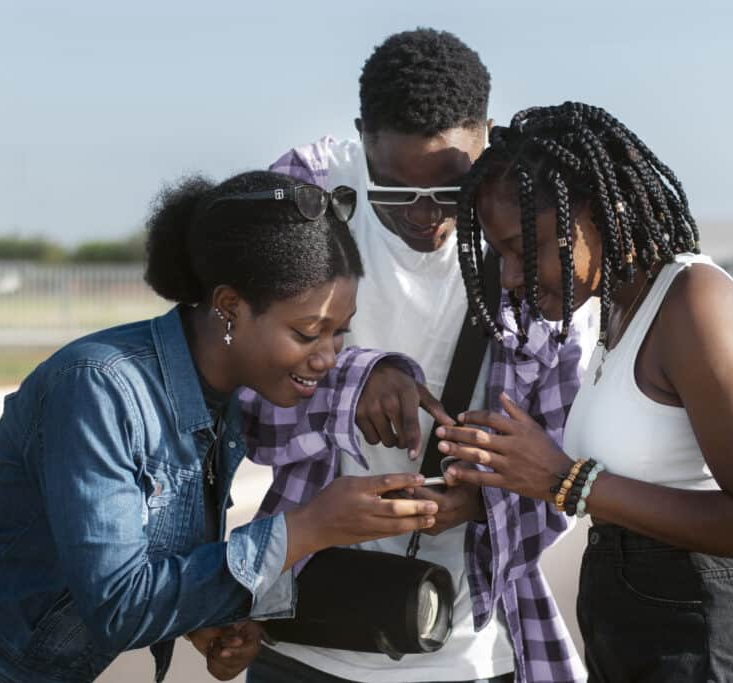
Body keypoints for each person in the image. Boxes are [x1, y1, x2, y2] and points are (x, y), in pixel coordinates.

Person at [0, 170, 441, 683]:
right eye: (307, 333)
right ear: (229, 306)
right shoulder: (100, 389)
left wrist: (201, 623)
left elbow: (148, 551)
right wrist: (308, 528)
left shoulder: (221, 396)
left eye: (339, 333)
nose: (327, 357)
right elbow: (118, 604)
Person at [248, 28, 588, 683]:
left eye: (451, 190)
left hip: (472, 648)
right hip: (306, 635)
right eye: (396, 192)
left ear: (485, 137)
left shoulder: (533, 230)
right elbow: (240, 400)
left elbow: (568, 453)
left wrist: (482, 503)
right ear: (362, 137)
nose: (426, 215)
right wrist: (353, 378)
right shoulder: (305, 195)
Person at [438, 102, 733, 681]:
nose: (510, 277)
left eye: (526, 247)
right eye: (501, 254)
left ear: (596, 212)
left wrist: (563, 479)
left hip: (714, 643)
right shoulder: (615, 312)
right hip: (640, 634)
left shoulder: (695, 305)